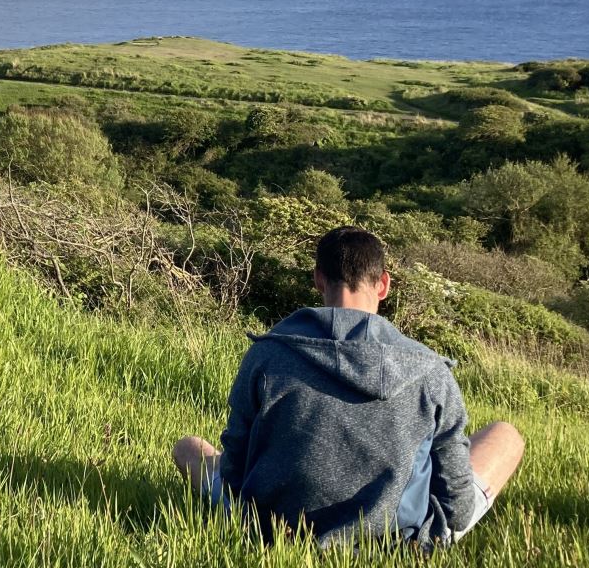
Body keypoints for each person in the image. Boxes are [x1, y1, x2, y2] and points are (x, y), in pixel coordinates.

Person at [172, 226, 525, 547]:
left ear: (318, 280)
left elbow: (234, 471)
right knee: (506, 435)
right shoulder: (430, 370)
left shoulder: (267, 353)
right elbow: (458, 505)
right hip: (398, 546)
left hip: (272, 533)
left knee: (188, 448)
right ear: (383, 284)